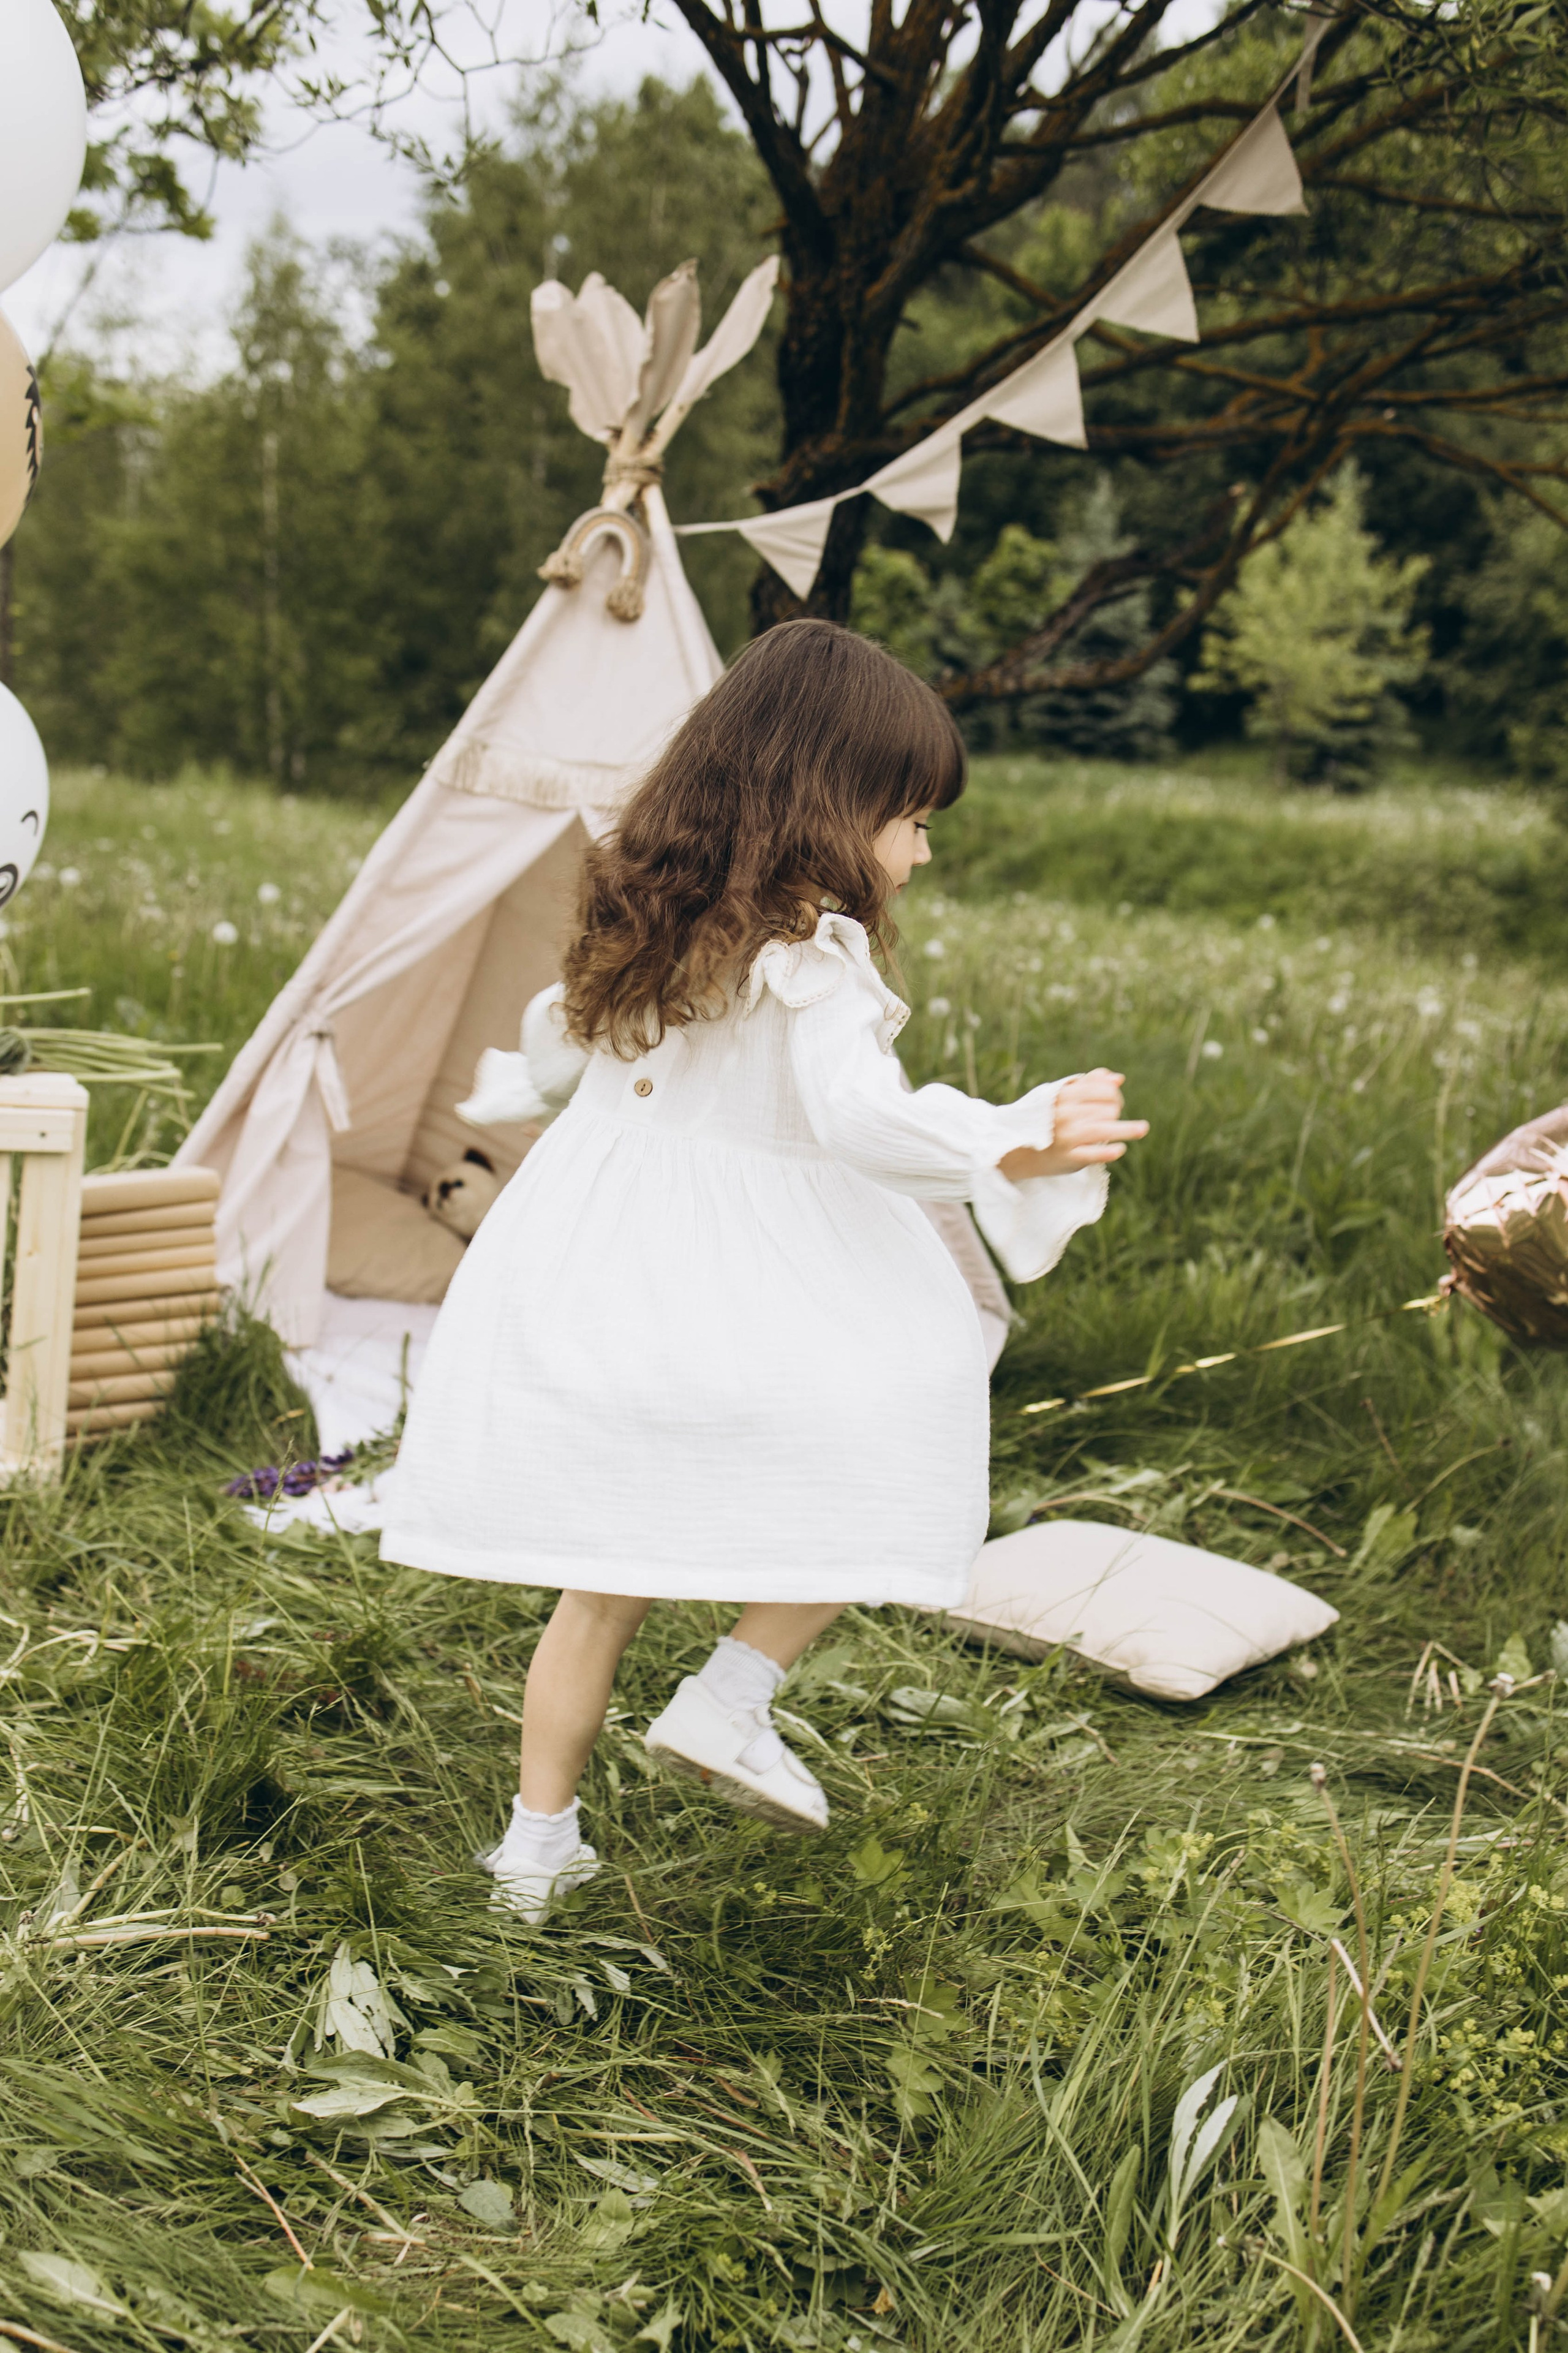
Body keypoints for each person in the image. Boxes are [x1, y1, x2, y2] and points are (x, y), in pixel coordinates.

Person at [379, 618, 1147, 1917]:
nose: (920, 849)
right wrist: (1008, 1137)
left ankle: (533, 1846)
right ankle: (733, 1692)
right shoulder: (816, 961)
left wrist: (538, 1071)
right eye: (909, 819)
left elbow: (559, 1059)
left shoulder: (645, 921)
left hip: (607, 1283)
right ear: (832, 809)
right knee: (905, 1429)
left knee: (598, 1585)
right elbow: (855, 1121)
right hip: (740, 1276)